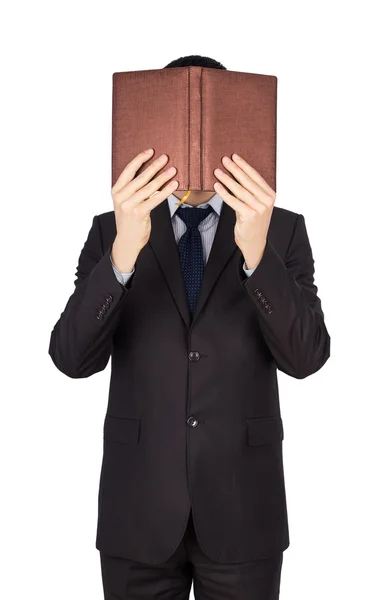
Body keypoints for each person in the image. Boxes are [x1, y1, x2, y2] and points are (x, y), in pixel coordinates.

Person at [48, 54, 330, 600]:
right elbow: (71, 358)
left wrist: (256, 254)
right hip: (138, 513)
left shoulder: (283, 232)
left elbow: (307, 357)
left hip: (245, 511)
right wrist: (123, 256)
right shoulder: (111, 231)